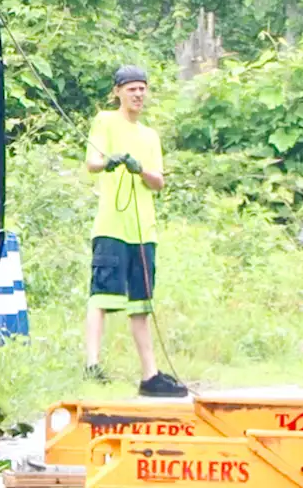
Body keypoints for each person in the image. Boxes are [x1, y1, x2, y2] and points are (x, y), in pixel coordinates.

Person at [82, 65, 188, 398]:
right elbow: (92, 162)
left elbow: (158, 181)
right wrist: (111, 161)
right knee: (101, 296)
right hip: (112, 226)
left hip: (144, 231)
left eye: (142, 89)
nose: (138, 94)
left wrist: (140, 169)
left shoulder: (150, 136)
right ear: (118, 92)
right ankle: (92, 364)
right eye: (131, 89)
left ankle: (150, 374)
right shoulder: (105, 121)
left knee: (141, 304)